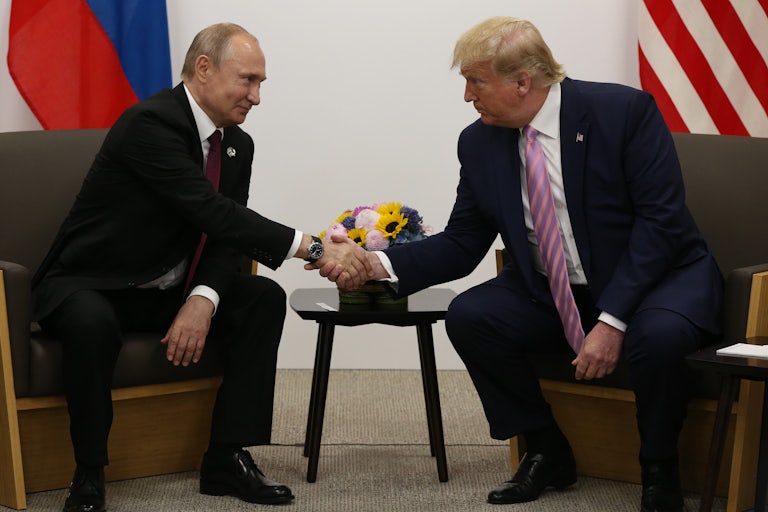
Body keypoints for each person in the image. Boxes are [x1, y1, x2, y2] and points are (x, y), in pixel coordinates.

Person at [324, 16, 724, 512]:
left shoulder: (622, 112)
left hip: (658, 281)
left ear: (522, 81)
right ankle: (546, 448)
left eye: (476, 81)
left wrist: (612, 318)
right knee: (473, 317)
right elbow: (464, 242)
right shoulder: (479, 141)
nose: (467, 97)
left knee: (657, 340)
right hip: (559, 290)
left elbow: (660, 225)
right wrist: (375, 263)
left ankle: (659, 467)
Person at [32, 23, 370, 512]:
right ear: (205, 68)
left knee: (262, 298)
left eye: (261, 84)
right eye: (248, 80)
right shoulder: (149, 124)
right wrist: (315, 249)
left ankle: (227, 457)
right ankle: (88, 473)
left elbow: (224, 238)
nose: (256, 97)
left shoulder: (237, 145)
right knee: (91, 323)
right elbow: (211, 211)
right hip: (94, 283)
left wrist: (202, 298)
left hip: (167, 289)